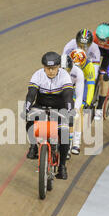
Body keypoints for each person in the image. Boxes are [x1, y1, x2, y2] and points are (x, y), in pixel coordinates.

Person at [24, 51, 74, 180]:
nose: (51, 71)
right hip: (41, 105)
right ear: (43, 67)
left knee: (63, 132)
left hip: (60, 107)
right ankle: (34, 145)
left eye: (54, 68)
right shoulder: (37, 75)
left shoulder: (64, 76)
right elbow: (31, 94)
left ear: (59, 67)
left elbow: (68, 96)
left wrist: (69, 111)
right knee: (29, 118)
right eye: (48, 68)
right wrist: (27, 107)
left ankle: (62, 166)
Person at [69, 48, 96, 154]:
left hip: (82, 86)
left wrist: (88, 102)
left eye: (79, 65)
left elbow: (90, 87)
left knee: (78, 111)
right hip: (70, 84)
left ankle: (76, 142)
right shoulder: (67, 63)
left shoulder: (89, 67)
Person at [60, 53, 84, 157]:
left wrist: (75, 109)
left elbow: (79, 96)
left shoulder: (78, 73)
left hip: (73, 95)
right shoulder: (53, 72)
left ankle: (75, 143)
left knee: (75, 115)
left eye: (68, 70)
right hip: (60, 94)